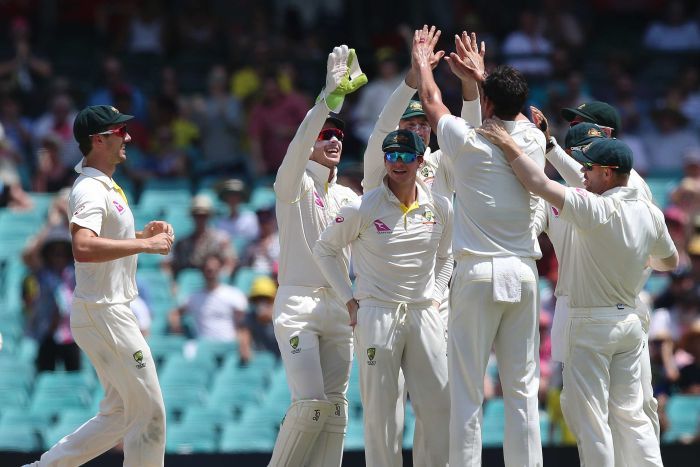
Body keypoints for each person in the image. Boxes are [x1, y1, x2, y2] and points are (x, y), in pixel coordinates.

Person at [477, 125, 678, 467]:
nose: (582, 172)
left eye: (588, 167)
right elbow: (669, 261)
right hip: (629, 320)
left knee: (592, 422)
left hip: (590, 324)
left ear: (607, 172)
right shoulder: (650, 213)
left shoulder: (595, 209)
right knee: (634, 418)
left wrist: (509, 145)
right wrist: (637, 256)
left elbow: (539, 184)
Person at [413, 25, 545, 466]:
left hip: (476, 274)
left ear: (486, 102)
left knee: (468, 391)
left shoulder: (466, 143)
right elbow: (506, 111)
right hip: (524, 273)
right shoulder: (532, 140)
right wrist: (481, 77)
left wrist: (421, 60)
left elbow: (432, 103)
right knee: (523, 389)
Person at [22, 104, 175, 467]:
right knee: (150, 412)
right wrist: (145, 245)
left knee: (121, 414)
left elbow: (100, 239)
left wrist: (140, 234)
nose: (129, 137)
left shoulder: (105, 186)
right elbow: (84, 247)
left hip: (104, 310)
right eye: (120, 132)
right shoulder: (90, 187)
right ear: (98, 139)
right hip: (105, 311)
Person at [314, 129, 453, 466]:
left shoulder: (441, 206)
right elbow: (325, 249)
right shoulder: (363, 206)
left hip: (424, 313)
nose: (397, 163)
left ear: (421, 161)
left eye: (406, 156)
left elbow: (447, 256)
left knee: (439, 407)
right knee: (382, 415)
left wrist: (435, 297)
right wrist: (348, 299)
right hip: (376, 313)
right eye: (391, 155)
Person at [531, 105, 664, 453]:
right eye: (572, 127)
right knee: (612, 412)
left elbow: (582, 184)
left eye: (583, 128)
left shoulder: (626, 184)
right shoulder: (588, 191)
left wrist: (548, 149)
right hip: (584, 304)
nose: (576, 134)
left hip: (613, 305)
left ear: (606, 135)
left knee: (623, 412)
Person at [267, 45, 366, 467]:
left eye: (340, 136)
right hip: (298, 301)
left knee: (335, 411)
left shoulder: (347, 196)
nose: (334, 140)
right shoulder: (293, 186)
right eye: (326, 135)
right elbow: (296, 147)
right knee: (309, 405)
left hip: (339, 305)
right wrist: (325, 102)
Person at [168, 253, 248, 341]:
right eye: (208, 270)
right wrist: (178, 333)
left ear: (220, 270)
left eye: (215, 269)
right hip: (203, 347)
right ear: (202, 271)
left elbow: (244, 322)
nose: (211, 273)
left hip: (229, 346)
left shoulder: (233, 294)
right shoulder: (194, 298)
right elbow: (175, 314)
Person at [164, 194, 236, 279]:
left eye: (204, 215)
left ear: (210, 216)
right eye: (197, 215)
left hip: (213, 283)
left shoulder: (221, 239)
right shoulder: (182, 243)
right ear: (192, 216)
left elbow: (230, 262)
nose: (200, 219)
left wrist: (222, 278)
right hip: (189, 285)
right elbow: (167, 263)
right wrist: (172, 283)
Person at [238, 275, 280, 363]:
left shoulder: (281, 319)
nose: (262, 303)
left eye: (266, 299)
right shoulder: (249, 318)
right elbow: (244, 348)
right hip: (258, 362)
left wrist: (272, 319)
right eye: (258, 299)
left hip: (279, 363)